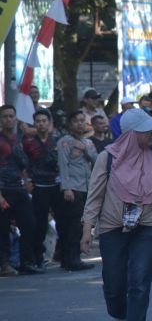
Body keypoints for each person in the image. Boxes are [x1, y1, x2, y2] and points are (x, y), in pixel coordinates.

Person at [81, 108, 152, 321]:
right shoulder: (108, 158)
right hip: (113, 228)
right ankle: (120, 318)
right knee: (114, 285)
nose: (151, 134)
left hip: (149, 225)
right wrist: (87, 229)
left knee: (140, 280)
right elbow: (94, 196)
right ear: (132, 134)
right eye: (146, 130)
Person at [0, 105, 41, 275]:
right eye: (5, 116)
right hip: (3, 189)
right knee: (2, 229)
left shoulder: (21, 138)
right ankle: (4, 263)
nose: (8, 119)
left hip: (19, 187)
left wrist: (27, 182)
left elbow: (25, 164)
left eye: (11, 116)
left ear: (16, 118)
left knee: (29, 224)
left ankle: (26, 261)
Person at [57, 111, 97, 271]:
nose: (80, 124)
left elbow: (97, 158)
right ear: (70, 124)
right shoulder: (65, 142)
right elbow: (63, 165)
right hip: (73, 188)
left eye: (82, 120)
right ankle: (71, 258)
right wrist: (66, 188)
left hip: (86, 187)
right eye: (76, 121)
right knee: (72, 225)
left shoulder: (88, 143)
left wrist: (85, 150)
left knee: (80, 224)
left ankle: (72, 258)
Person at [22, 109, 62, 269]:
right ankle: (38, 257)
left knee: (63, 222)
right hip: (38, 187)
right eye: (38, 121)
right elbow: (23, 165)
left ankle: (63, 254)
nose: (41, 124)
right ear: (34, 124)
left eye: (44, 121)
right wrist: (27, 181)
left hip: (57, 186)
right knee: (39, 224)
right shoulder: (27, 142)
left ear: (49, 123)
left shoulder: (58, 141)